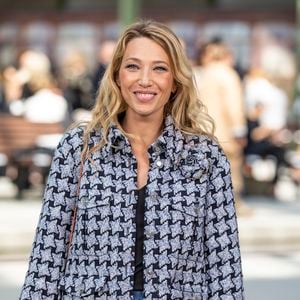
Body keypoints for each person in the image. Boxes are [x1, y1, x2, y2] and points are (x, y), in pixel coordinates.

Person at [20, 20, 244, 299]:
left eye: (160, 68)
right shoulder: (79, 148)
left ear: (174, 82)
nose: (145, 80)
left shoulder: (205, 157)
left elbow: (225, 266)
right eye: (133, 66)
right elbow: (47, 254)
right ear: (116, 76)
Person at [194, 40, 250, 216]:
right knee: (231, 168)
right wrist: (239, 130)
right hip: (225, 132)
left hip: (203, 130)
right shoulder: (228, 75)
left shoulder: (201, 74)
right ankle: (234, 205)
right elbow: (233, 105)